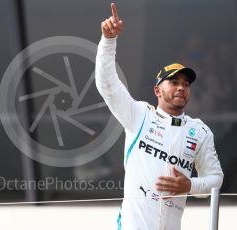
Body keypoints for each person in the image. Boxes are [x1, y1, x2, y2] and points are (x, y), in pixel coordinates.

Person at [95, 3, 224, 230]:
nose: (181, 88)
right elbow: (107, 84)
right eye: (174, 82)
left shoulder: (200, 131)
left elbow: (215, 179)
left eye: (185, 84)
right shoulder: (138, 115)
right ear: (157, 90)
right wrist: (108, 41)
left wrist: (190, 185)